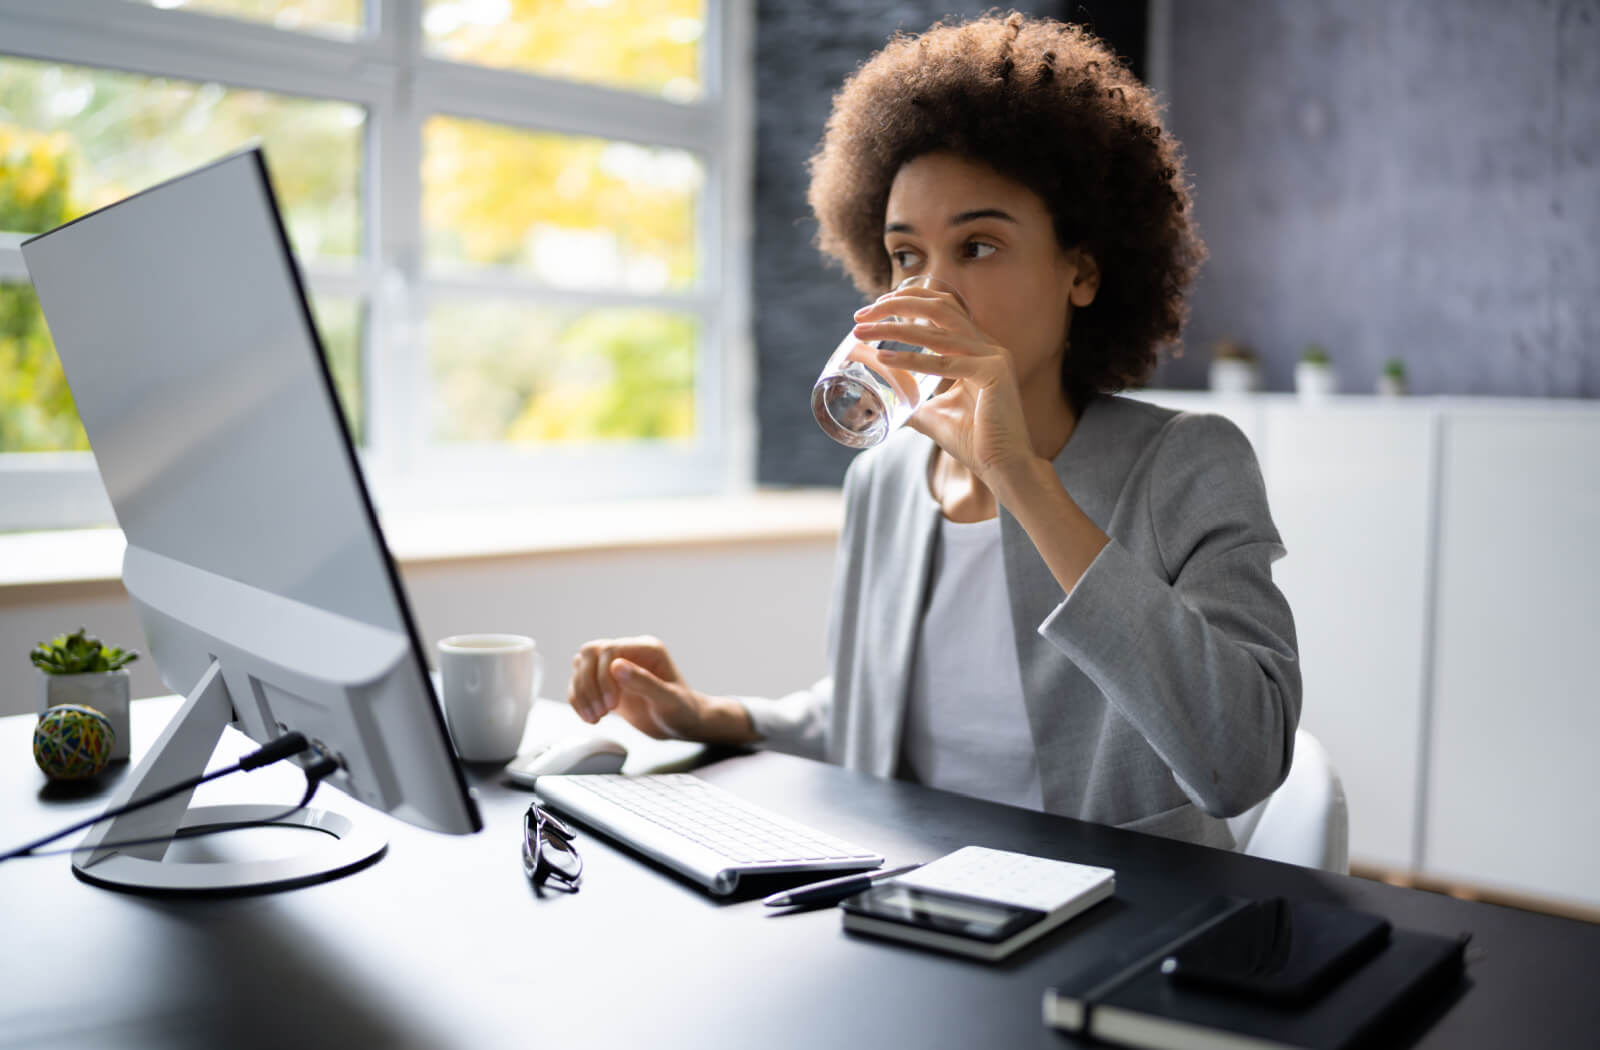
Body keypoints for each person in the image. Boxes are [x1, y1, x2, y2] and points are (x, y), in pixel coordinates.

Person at [566, 13, 1300, 848]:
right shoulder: (885, 479)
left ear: (1083, 272)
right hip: (914, 902)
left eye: (978, 246)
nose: (929, 294)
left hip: (1114, 924)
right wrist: (709, 713)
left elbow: (1240, 761)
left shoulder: (1186, 465)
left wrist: (1019, 474)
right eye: (907, 257)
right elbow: (872, 711)